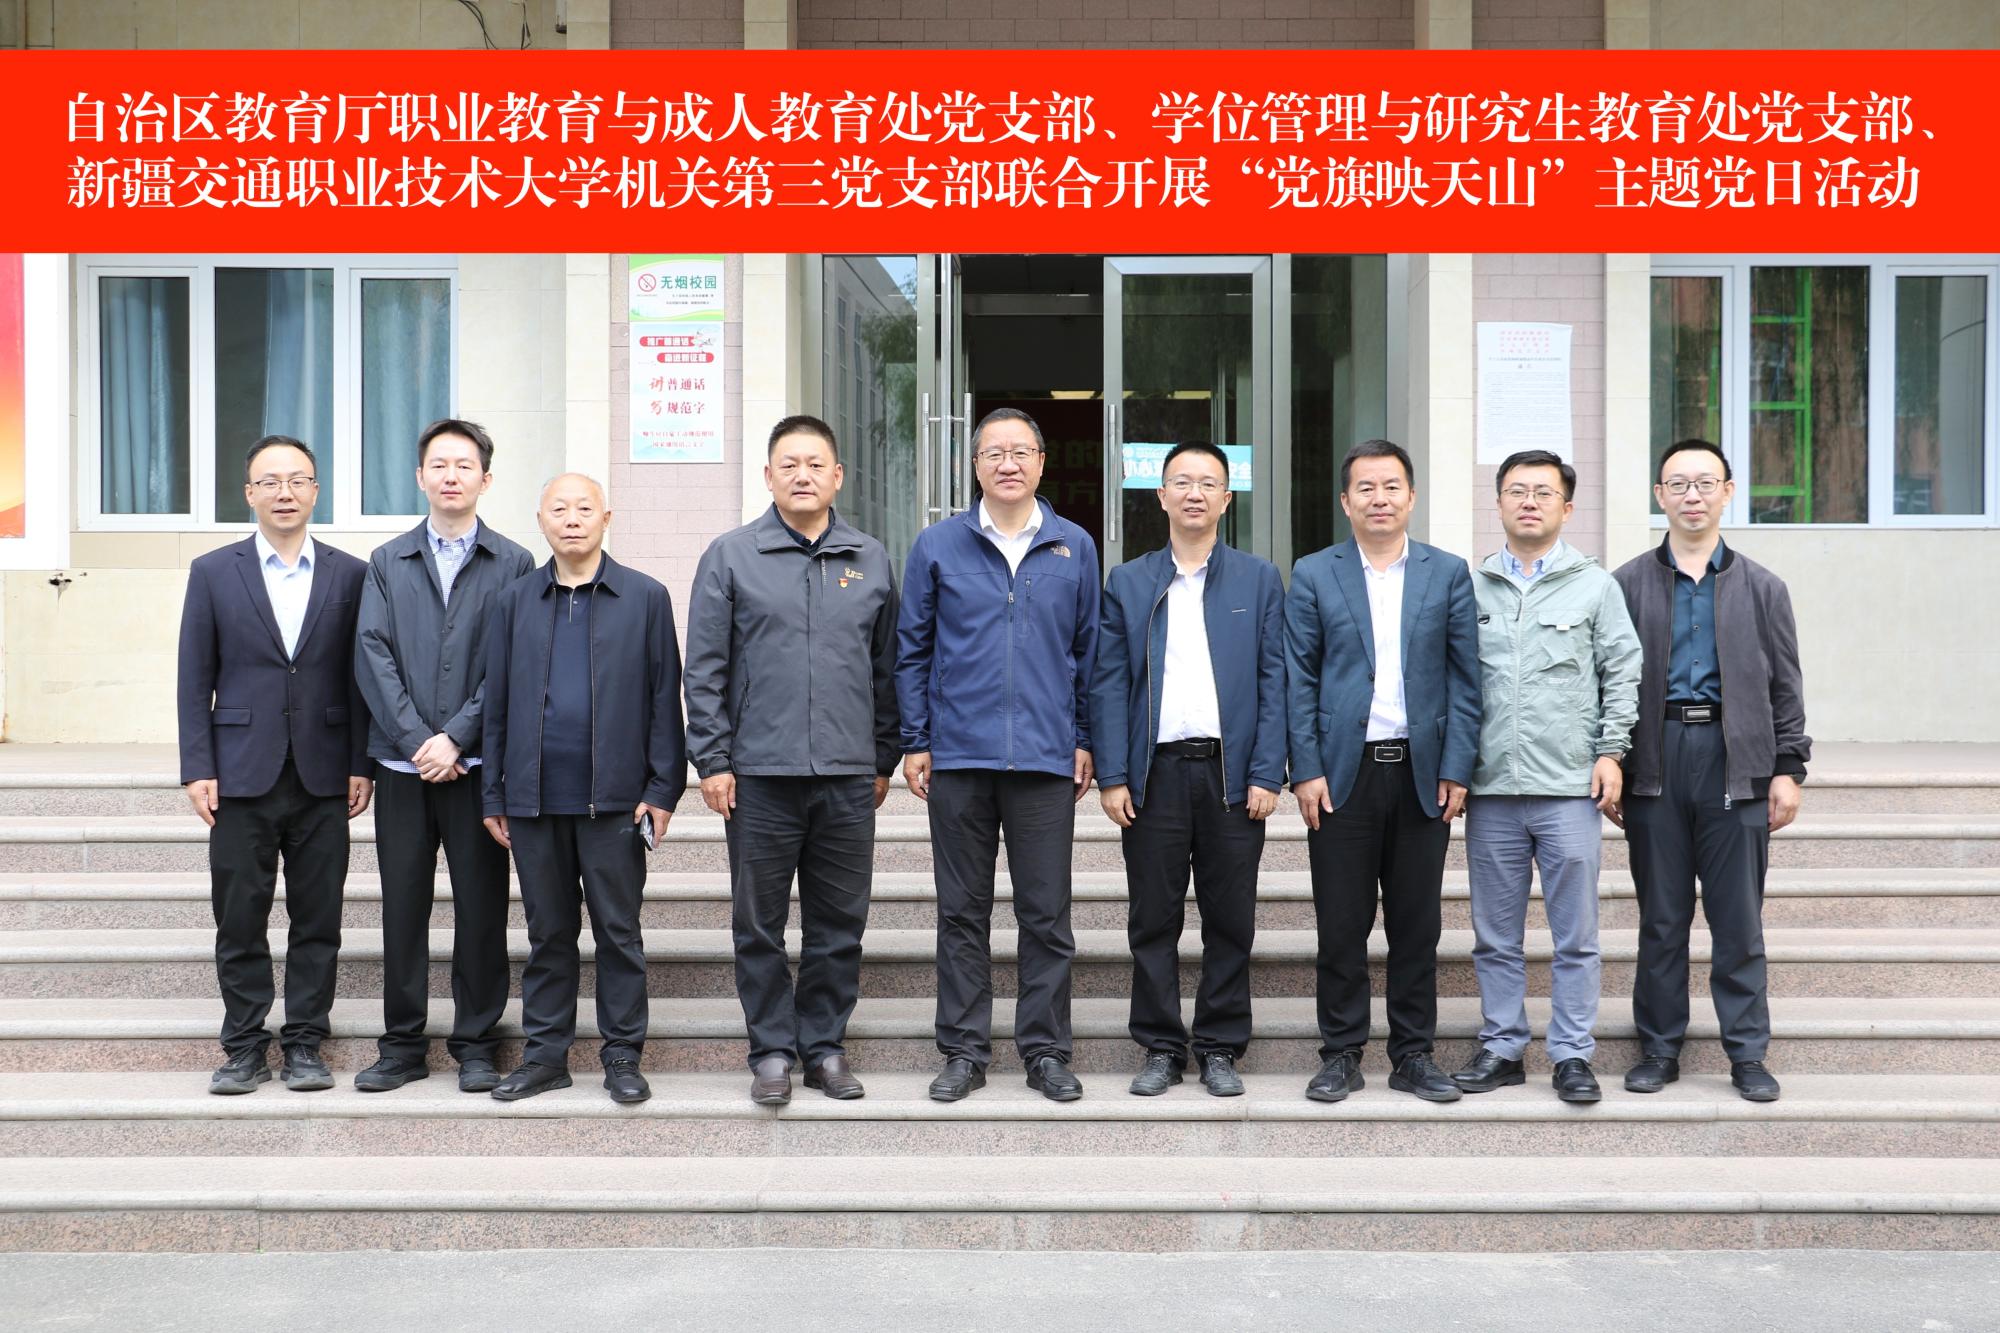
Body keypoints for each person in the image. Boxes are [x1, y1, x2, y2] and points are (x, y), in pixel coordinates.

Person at [684, 415, 900, 1106]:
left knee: (840, 922)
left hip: (846, 774)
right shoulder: (731, 556)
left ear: (838, 476)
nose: (802, 475)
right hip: (758, 775)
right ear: (769, 476)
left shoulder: (869, 558)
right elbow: (705, 669)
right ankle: (772, 1050)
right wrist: (713, 760)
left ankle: (825, 1048)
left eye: (815, 464)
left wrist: (883, 757)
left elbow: (887, 669)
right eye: (789, 464)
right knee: (759, 923)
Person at [897, 407, 1100, 1104]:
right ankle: (963, 1050)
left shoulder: (1074, 545)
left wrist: (1084, 737)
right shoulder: (937, 545)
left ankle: (1046, 1051)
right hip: (959, 756)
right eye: (994, 452)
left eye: (1020, 452)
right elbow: (912, 649)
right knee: (961, 912)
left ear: (1041, 462)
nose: (1007, 463)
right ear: (975, 465)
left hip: (1045, 757)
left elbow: (1090, 653)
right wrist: (917, 740)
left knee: (1046, 915)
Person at [1611, 439, 1809, 1103]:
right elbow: (1608, 680)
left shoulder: (1763, 587)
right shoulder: (1627, 584)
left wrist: (1787, 767)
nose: (1691, 495)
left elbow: (1785, 685)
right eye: (1678, 483)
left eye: (1704, 482)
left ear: (1727, 491)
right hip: (1656, 758)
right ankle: (1658, 1049)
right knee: (1661, 919)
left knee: (1738, 921)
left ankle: (1747, 1054)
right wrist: (1614, 761)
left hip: (1736, 761)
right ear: (1659, 495)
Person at [480, 473, 686, 1105]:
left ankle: (622, 1054)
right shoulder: (514, 601)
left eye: (584, 508)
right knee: (548, 935)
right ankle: (546, 1056)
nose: (572, 519)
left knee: (618, 933)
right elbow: (495, 704)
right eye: (559, 509)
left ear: (606, 518)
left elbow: (664, 700)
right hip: (534, 800)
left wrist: (663, 789)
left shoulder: (645, 598)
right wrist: (494, 794)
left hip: (617, 801)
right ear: (541, 520)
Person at [1285, 438, 1480, 1104]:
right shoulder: (1314, 573)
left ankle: (1413, 1053)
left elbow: (1466, 678)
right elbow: (1299, 677)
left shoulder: (1446, 573)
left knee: (1416, 925)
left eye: (1391, 486)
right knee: (1341, 924)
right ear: (1346, 501)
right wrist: (1305, 767)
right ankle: (1341, 1053)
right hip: (1344, 775)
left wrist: (1457, 765)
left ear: (1411, 497)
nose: (1379, 498)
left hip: (1422, 772)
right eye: (1365, 487)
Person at [177, 435, 373, 1095]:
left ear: (316, 490)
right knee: (239, 918)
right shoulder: (213, 571)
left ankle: (306, 1044)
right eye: (270, 481)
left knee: (319, 919)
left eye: (297, 480)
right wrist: (197, 766)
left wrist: (361, 761)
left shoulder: (351, 573)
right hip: (238, 773)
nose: (284, 492)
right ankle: (243, 1047)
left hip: (325, 772)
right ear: (249, 493)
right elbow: (193, 675)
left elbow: (360, 676)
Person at [1090, 441, 1287, 1098]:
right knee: (1153, 918)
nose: (1194, 492)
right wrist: (1113, 775)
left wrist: (1267, 772)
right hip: (1156, 776)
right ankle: (1160, 1045)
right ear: (1162, 496)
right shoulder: (1129, 581)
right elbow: (1109, 683)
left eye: (1208, 482)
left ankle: (1221, 1044)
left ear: (1227, 499)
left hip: (1231, 776)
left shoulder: (1258, 579)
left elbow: (1274, 679)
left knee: (1231, 919)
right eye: (1181, 481)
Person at [352, 419, 534, 1094]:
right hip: (404, 771)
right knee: (402, 908)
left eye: (464, 465)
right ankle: (402, 1045)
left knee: (482, 910)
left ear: (486, 478)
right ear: (420, 477)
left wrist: (456, 737)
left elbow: (512, 664)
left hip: (478, 770)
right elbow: (371, 653)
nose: (451, 475)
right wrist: (417, 742)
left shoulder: (514, 563)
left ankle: (477, 1043)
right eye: (439, 464)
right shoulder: (387, 560)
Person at [1453, 450, 1641, 1104]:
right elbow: (1453, 685)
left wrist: (1611, 752)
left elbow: (1623, 673)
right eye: (1516, 491)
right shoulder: (1470, 587)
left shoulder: (1596, 587)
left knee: (1576, 936)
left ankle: (1571, 1054)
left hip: (1568, 789)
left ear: (1567, 506)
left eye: (1543, 492)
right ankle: (1503, 1046)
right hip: (1491, 792)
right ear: (1499, 503)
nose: (1529, 502)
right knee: (1495, 937)